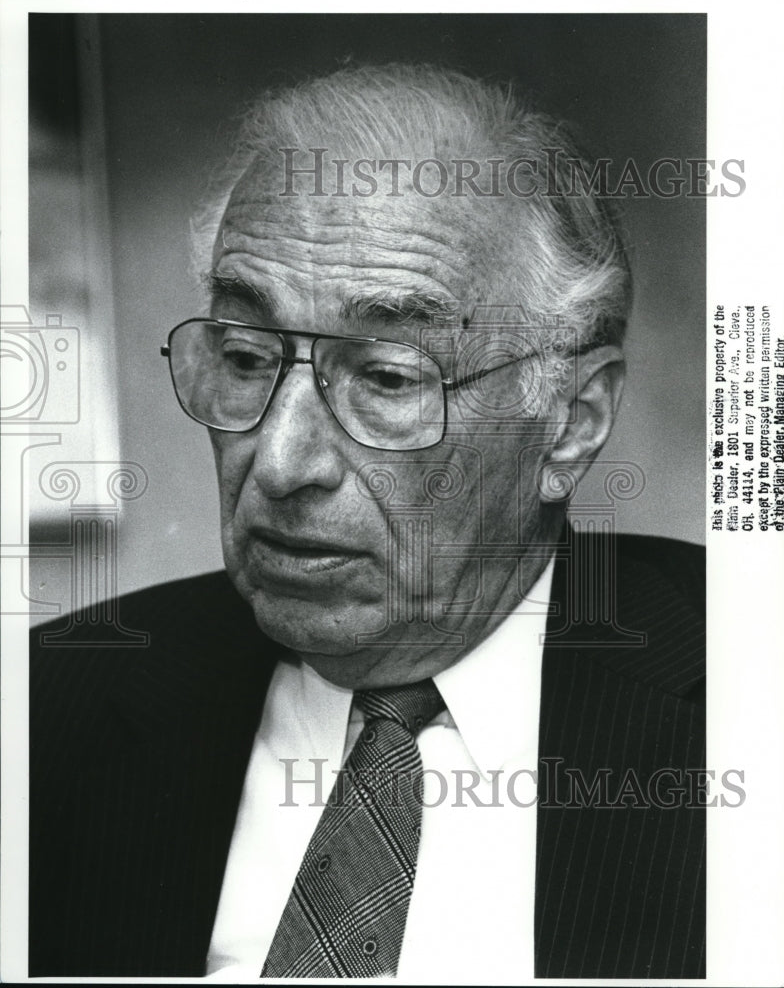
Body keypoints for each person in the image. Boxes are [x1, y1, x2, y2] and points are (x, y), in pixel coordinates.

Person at [29, 64, 705, 980]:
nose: (280, 462)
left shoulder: (745, 697)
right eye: (243, 355)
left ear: (571, 423)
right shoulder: (45, 716)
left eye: (387, 377)